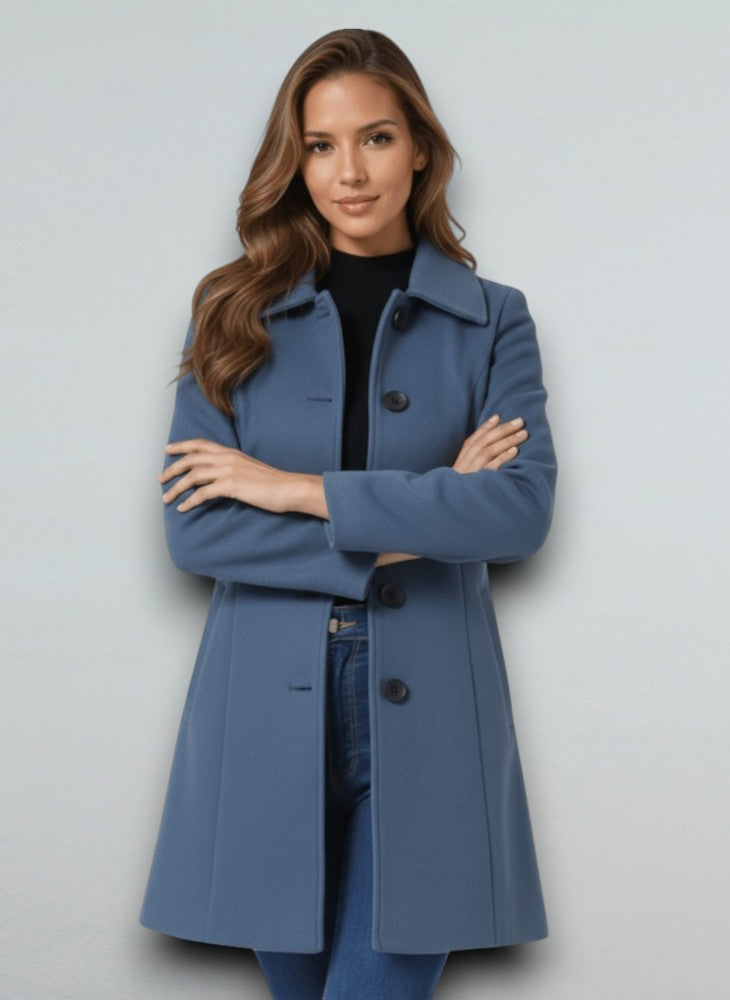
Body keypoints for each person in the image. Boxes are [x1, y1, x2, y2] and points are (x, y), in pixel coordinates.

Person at [139, 27, 558, 1000]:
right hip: (260, 708)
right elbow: (197, 530)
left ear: (420, 148)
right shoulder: (229, 312)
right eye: (320, 146)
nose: (349, 173)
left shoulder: (492, 318)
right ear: (294, 162)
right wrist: (431, 512)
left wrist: (290, 489)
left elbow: (517, 512)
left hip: (435, 703)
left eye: (375, 138)